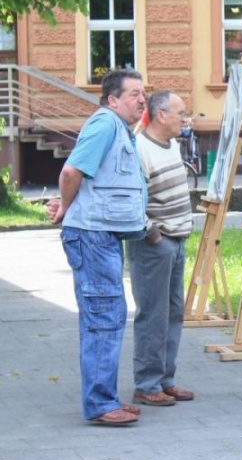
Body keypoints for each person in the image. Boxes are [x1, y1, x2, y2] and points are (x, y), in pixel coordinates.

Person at [47, 69, 147, 426]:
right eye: (133, 93)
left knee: (109, 315)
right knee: (104, 317)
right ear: (112, 100)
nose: (141, 99)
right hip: (92, 236)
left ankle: (106, 397)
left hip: (99, 234)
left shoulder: (120, 129)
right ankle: (101, 404)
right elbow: (71, 173)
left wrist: (66, 205)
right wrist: (66, 206)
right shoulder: (105, 124)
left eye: (143, 93)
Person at [126, 90, 196, 407]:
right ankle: (147, 384)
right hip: (155, 245)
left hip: (176, 241)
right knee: (153, 314)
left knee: (172, 313)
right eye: (181, 112)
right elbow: (129, 198)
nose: (186, 118)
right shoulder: (139, 148)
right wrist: (153, 235)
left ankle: (165, 380)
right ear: (162, 115)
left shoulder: (173, 145)